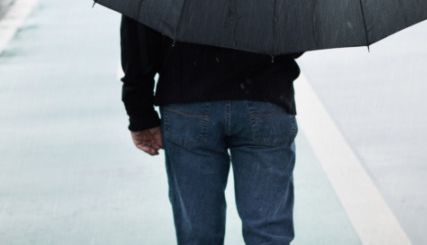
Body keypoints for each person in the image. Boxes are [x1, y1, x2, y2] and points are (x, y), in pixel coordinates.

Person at [120, 14, 302, 245]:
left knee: (198, 233)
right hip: (265, 95)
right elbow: (297, 37)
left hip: (187, 97)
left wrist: (140, 114)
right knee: (269, 233)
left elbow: (138, 33)